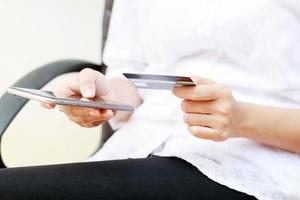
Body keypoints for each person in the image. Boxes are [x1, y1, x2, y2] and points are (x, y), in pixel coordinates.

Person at [1, 0, 300, 199]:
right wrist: (104, 96)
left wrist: (241, 119)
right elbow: (132, 74)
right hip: (137, 150)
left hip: (255, 168)